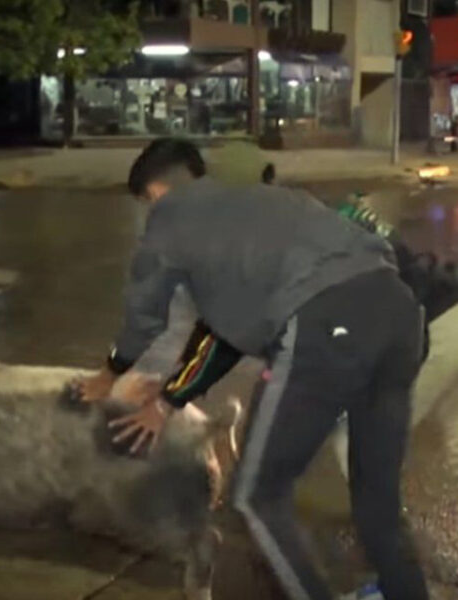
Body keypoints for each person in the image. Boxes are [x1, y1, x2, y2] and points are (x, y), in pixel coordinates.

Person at [75, 139, 428, 600]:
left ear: (155, 193)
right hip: (400, 317)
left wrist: (110, 373)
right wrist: (168, 400)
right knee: (377, 505)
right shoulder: (276, 202)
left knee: (258, 497)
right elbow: (226, 331)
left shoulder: (172, 216)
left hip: (326, 328)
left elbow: (145, 314)